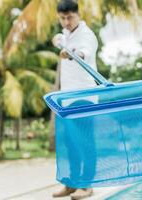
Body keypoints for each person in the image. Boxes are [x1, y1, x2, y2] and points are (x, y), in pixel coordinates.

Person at [52, 0, 98, 199]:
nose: (66, 21)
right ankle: (71, 183)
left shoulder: (87, 35)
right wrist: (60, 41)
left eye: (69, 17)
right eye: (62, 18)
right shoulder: (66, 35)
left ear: (77, 15)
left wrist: (71, 53)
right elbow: (59, 37)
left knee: (85, 141)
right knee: (70, 142)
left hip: (84, 96)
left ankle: (87, 185)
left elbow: (84, 52)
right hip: (67, 98)